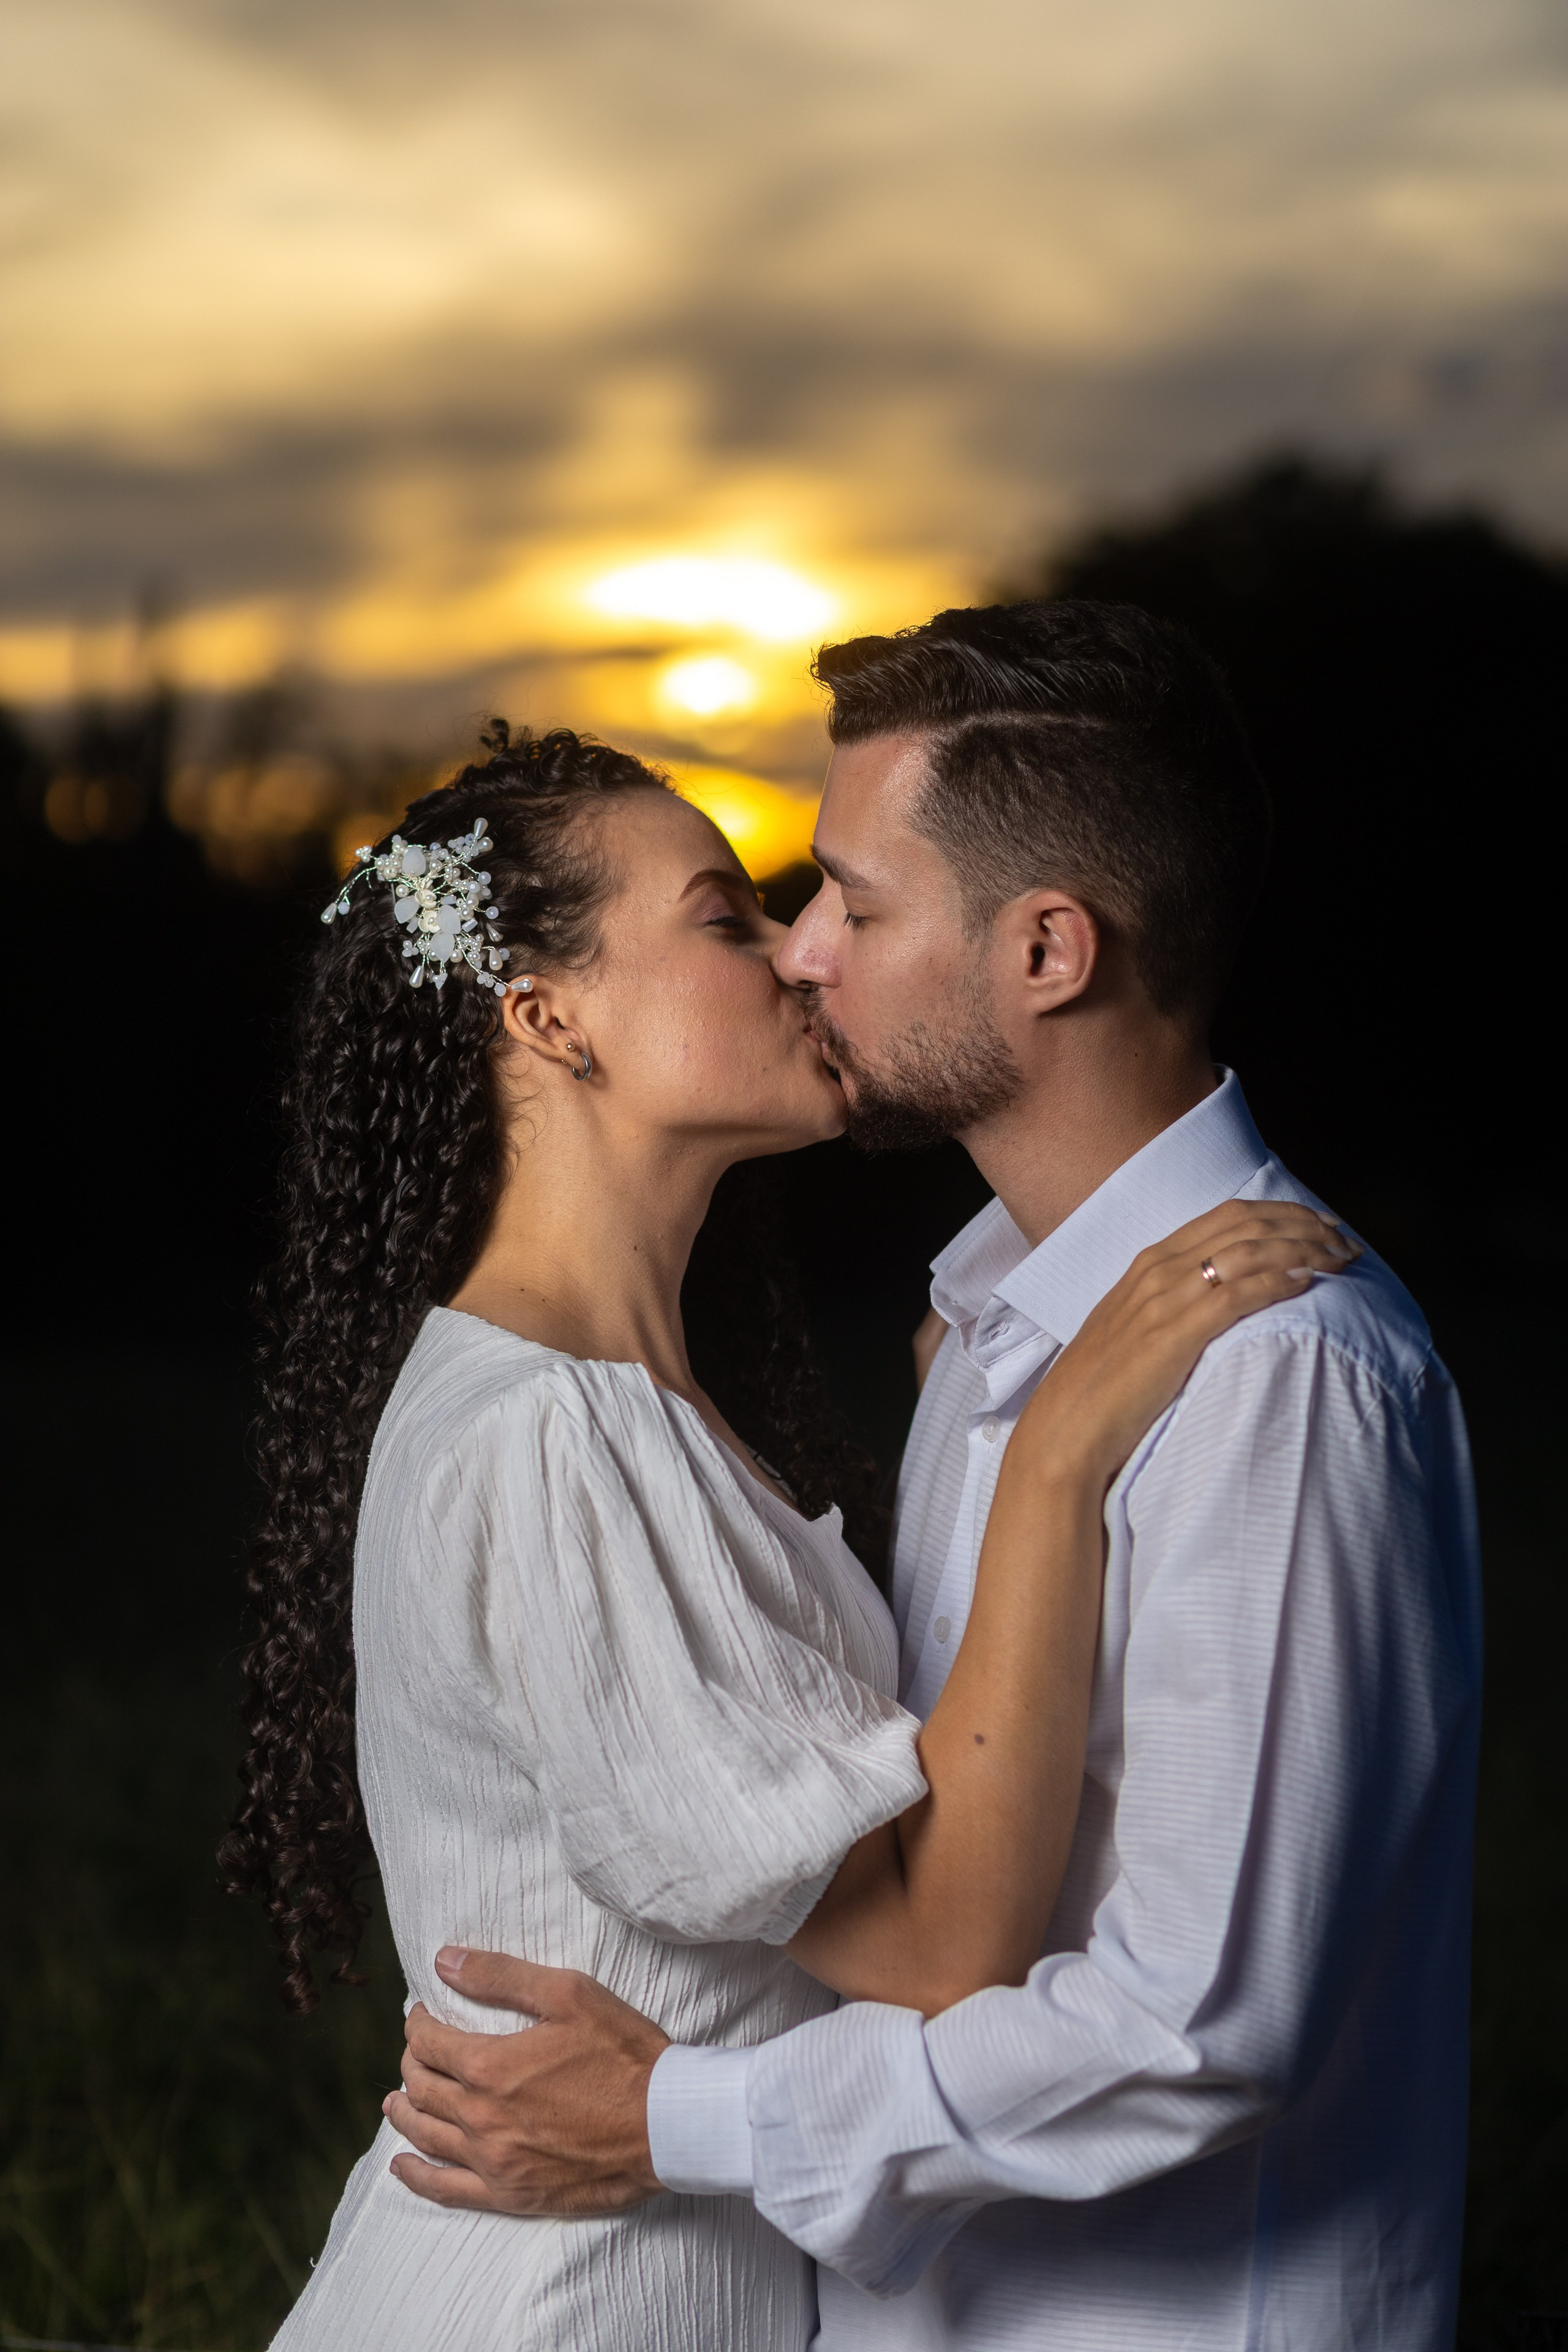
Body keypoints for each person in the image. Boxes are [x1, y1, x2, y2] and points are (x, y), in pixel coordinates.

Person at [385, 601, 1483, 2352]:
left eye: (854, 902)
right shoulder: (985, 1330)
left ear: (1047, 950)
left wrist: (685, 2119)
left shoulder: (1280, 1372)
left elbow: (1198, 2028)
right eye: (772, 906)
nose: (807, 953)